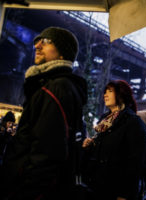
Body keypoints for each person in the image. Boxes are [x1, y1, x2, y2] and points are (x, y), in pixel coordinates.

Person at [0, 27, 87, 199]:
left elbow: (48, 151)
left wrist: (26, 191)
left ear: (63, 53)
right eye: (36, 41)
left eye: (46, 42)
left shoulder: (56, 88)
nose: (37, 46)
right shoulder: (53, 85)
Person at [82, 80, 146, 200]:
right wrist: (91, 146)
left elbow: (135, 163)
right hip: (97, 186)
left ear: (121, 95)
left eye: (110, 91)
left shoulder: (133, 122)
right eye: (105, 92)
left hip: (116, 189)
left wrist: (124, 194)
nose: (105, 95)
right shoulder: (104, 121)